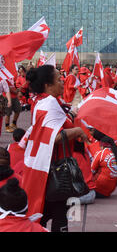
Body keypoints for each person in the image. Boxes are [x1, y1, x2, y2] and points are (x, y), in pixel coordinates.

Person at [23, 65, 90, 232]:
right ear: (47, 85)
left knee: (42, 214)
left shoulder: (41, 101)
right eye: (59, 80)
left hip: (42, 166)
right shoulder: (50, 102)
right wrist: (78, 131)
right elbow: (56, 137)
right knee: (56, 214)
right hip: (53, 170)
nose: (63, 82)